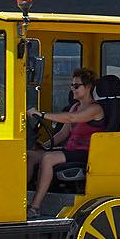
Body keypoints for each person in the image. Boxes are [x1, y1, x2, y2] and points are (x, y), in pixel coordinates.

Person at [28, 69, 103, 212]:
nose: (72, 89)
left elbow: (71, 119)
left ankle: (35, 207)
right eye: (71, 85)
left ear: (88, 87)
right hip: (70, 149)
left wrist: (42, 114)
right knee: (30, 155)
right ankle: (20, 198)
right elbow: (63, 134)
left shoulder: (95, 108)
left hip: (86, 153)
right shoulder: (75, 107)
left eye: (76, 86)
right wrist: (44, 147)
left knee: (48, 158)